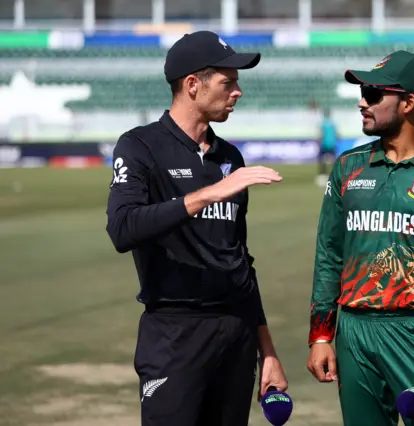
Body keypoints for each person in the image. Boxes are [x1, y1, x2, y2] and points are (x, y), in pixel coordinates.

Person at [105, 30, 288, 426]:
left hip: (235, 336)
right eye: (228, 82)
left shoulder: (230, 157)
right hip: (174, 334)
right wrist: (207, 194)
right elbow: (122, 228)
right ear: (192, 85)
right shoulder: (140, 147)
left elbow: (239, 262)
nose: (237, 91)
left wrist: (267, 351)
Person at [306, 50, 414, 426]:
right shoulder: (348, 168)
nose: (361, 102)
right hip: (353, 335)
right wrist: (321, 335)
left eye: (373, 94)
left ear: (408, 103)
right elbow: (329, 255)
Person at [318, 108, 339, 177]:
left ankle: (323, 173)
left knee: (321, 159)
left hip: (324, 143)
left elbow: (321, 134)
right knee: (333, 159)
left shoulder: (322, 123)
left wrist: (319, 140)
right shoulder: (333, 123)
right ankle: (335, 172)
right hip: (332, 143)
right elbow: (337, 134)